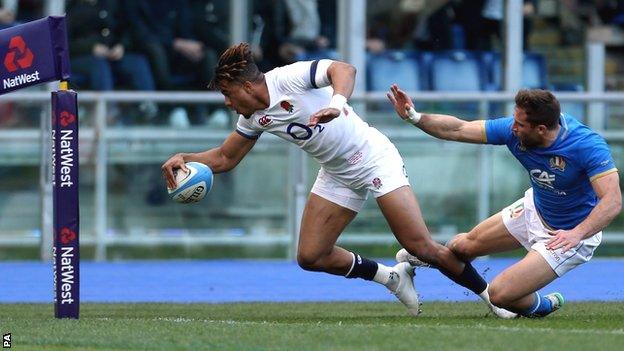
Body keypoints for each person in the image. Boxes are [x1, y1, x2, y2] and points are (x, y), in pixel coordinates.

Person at [161, 43, 516, 318]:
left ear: (244, 85)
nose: (226, 103)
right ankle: (391, 277)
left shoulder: (288, 77)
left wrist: (337, 102)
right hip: (336, 173)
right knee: (311, 256)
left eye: (226, 94)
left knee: (422, 247)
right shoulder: (254, 118)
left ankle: (494, 298)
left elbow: (343, 68)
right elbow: (225, 158)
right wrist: (186, 158)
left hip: (373, 158)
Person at [388, 84, 621, 317]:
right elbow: (459, 129)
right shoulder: (514, 130)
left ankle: (545, 305)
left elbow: (612, 201)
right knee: (458, 248)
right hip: (534, 209)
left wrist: (577, 233)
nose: (513, 127)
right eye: (513, 120)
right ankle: (425, 261)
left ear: (541, 129)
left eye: (520, 124)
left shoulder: (587, 145)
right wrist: (414, 117)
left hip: (567, 236)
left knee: (499, 295)